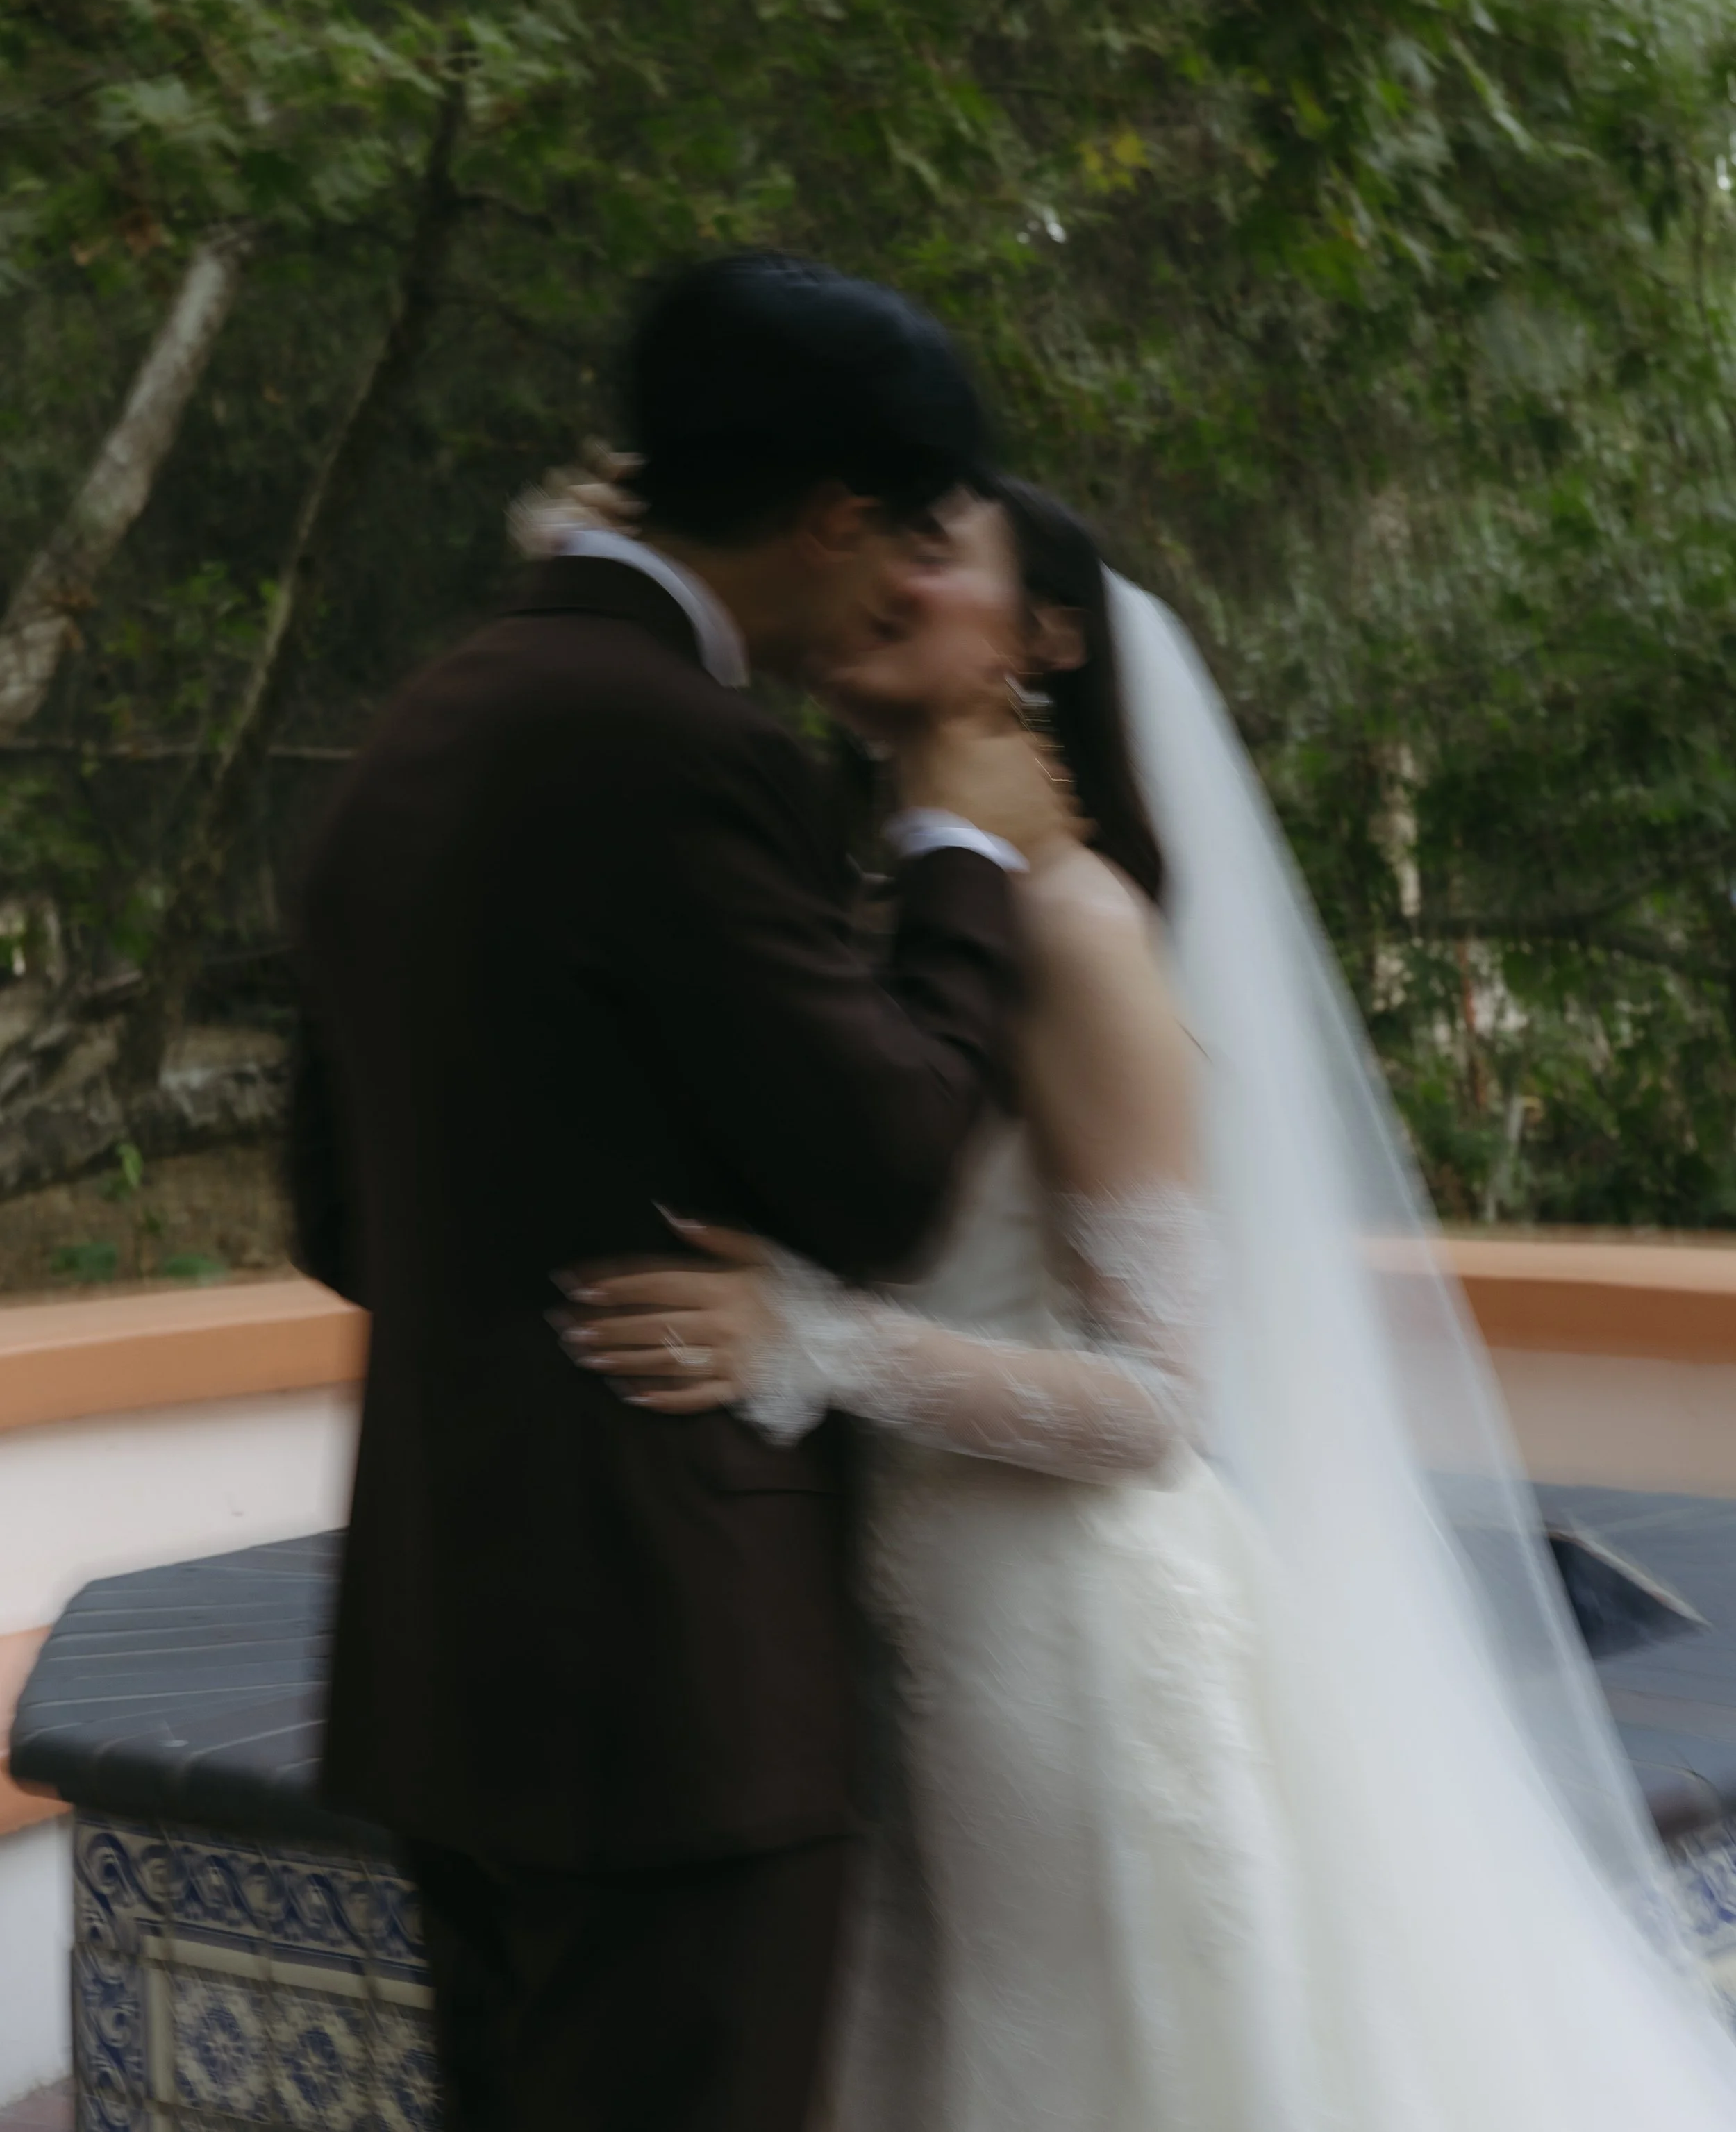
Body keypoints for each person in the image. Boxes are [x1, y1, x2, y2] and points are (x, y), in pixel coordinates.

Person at [562, 478, 1736, 2130]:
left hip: (1066, 1644)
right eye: (855, 533)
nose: (874, 569)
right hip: (886, 1628)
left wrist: (813, 1343)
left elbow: (1156, 1400)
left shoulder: (1078, 928)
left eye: (928, 544)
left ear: (1045, 636)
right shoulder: (869, 912)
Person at [285, 256, 1078, 2132]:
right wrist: (962, 856)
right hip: (668, 1683)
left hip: (447, 1652)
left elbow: (337, 1209)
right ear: (826, 514)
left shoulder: (431, 715)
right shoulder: (675, 748)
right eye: (894, 535)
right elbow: (885, 1168)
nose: (902, 582)